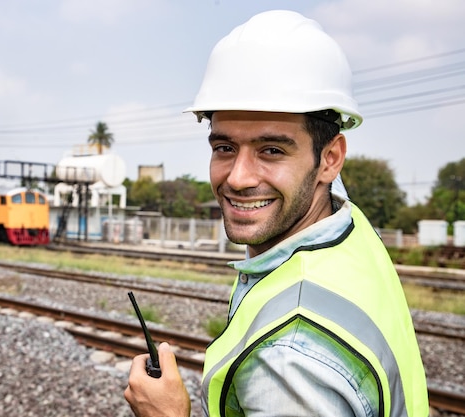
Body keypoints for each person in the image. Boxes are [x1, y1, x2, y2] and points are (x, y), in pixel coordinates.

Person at [124, 9, 429, 417]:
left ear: (330, 158)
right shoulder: (350, 231)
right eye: (224, 148)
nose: (238, 178)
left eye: (272, 150)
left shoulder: (288, 361)